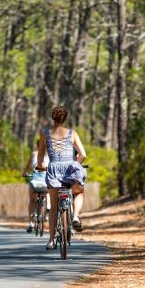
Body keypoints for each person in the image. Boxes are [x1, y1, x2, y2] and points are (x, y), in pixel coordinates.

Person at [36, 106, 88, 250]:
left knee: (53, 207)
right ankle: (76, 216)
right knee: (79, 192)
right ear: (65, 118)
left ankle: (51, 240)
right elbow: (83, 154)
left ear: (53, 117)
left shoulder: (44, 133)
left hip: (53, 169)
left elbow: (40, 155)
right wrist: (75, 165)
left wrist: (41, 166)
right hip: (70, 168)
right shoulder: (72, 133)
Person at [21, 140, 50, 232]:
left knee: (32, 201)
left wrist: (25, 173)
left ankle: (31, 223)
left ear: (38, 146)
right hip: (46, 181)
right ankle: (47, 207)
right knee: (48, 190)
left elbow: (27, 167)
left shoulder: (34, 154)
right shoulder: (50, 155)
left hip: (35, 181)